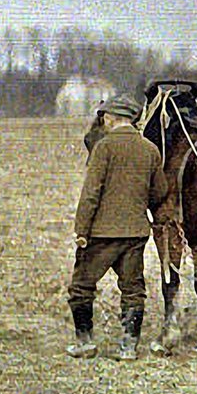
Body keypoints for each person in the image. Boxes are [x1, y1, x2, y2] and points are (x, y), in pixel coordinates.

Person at [68, 93, 170, 360]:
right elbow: (160, 191)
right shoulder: (150, 149)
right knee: (133, 289)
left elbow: (91, 192)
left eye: (104, 116)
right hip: (136, 233)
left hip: (102, 233)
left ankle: (85, 342)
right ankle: (128, 347)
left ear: (111, 118)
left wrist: (82, 230)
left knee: (81, 286)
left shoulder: (103, 147)